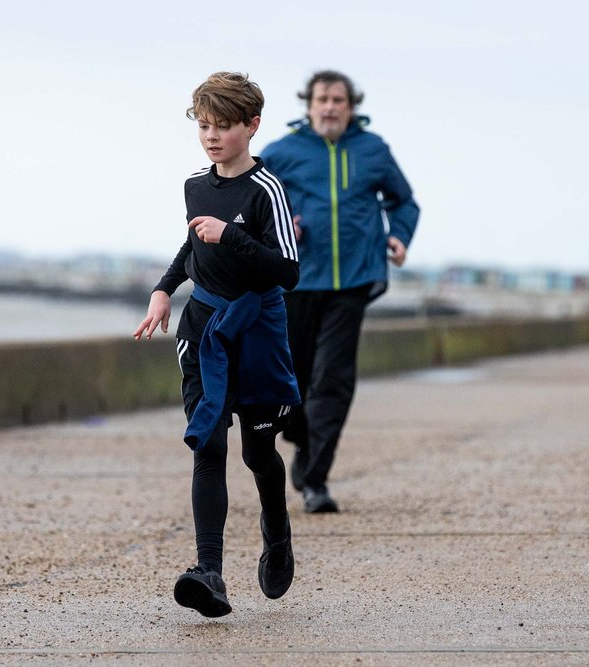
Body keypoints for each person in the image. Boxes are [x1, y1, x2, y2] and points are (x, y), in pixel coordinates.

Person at [133, 72, 301, 617]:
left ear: (252, 126)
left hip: (256, 330)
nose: (211, 136)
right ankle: (210, 574)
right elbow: (190, 244)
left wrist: (231, 235)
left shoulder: (267, 190)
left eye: (223, 126)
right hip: (202, 324)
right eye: (204, 125)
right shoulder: (195, 185)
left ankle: (277, 535)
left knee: (257, 451)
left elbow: (288, 271)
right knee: (209, 446)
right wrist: (164, 290)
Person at [261, 71, 420, 513]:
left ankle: (316, 481)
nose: (329, 107)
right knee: (290, 382)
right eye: (322, 99)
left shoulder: (373, 149)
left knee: (333, 380)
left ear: (351, 107)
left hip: (353, 279)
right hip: (294, 281)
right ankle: (299, 437)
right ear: (308, 106)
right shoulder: (281, 152)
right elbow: (251, 202)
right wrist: (275, 228)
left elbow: (404, 201)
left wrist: (399, 236)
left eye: (338, 100)